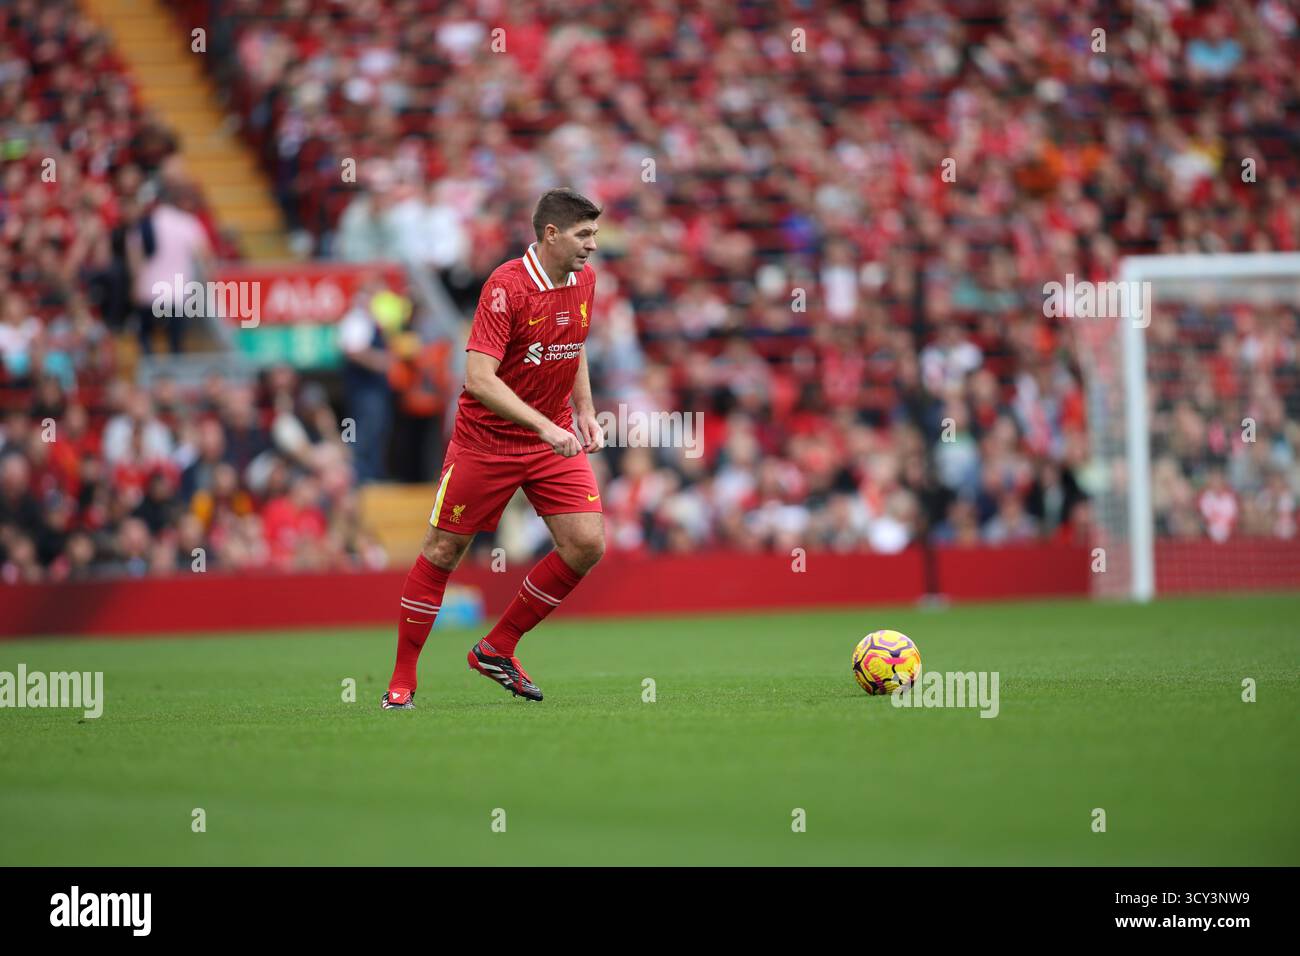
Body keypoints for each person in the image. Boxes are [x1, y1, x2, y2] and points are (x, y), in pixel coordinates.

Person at [382, 188, 605, 709]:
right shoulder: (505, 287)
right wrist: (544, 427)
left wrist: (587, 410)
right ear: (551, 234)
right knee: (442, 551)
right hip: (488, 441)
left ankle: (496, 647)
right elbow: (479, 379)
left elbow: (574, 345)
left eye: (594, 233)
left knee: (587, 544)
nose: (593, 245)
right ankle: (401, 682)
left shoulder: (584, 280)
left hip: (552, 433)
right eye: (584, 234)